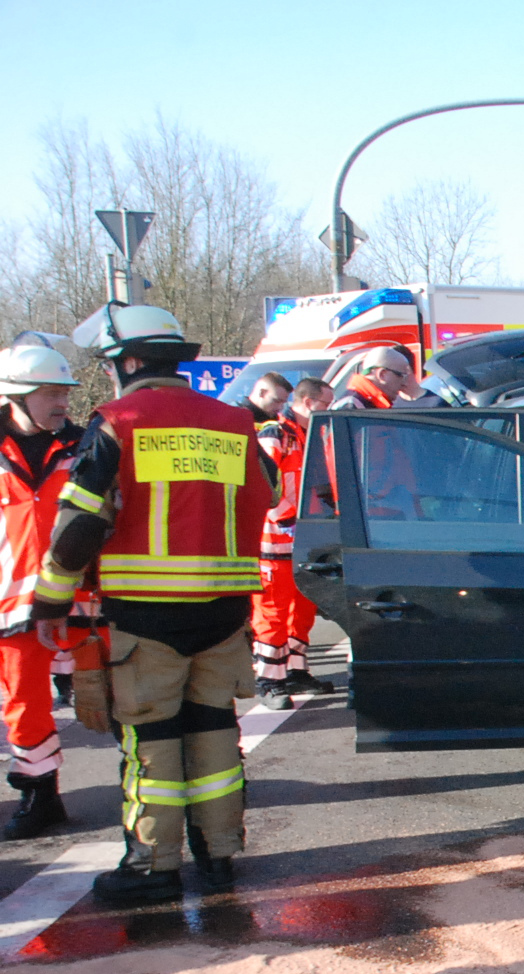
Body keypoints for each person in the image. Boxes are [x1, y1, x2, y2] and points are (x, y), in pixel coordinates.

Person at [33, 304, 273, 905]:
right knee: (216, 733)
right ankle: (219, 858)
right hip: (224, 613)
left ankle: (153, 868)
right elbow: (263, 496)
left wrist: (50, 604)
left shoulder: (119, 420)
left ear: (130, 362)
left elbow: (75, 531)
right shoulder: (232, 422)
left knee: (152, 741)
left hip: (146, 615)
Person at [0, 344, 103, 839]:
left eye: (65, 391)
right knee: (24, 703)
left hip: (83, 599)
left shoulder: (87, 446)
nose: (62, 401)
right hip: (14, 604)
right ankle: (41, 794)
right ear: (14, 396)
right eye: (50, 393)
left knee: (113, 694)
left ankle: (144, 784)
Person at [252, 377, 336, 708]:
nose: (328, 411)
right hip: (277, 539)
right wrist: (289, 521)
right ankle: (269, 680)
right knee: (272, 610)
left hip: (305, 538)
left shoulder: (310, 437)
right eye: (325, 404)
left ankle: (296, 670)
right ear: (308, 402)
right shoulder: (277, 434)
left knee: (302, 608)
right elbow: (264, 483)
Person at [329, 347, 444, 411]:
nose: (404, 383)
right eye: (401, 376)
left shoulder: (367, 403)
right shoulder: (352, 405)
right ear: (382, 375)